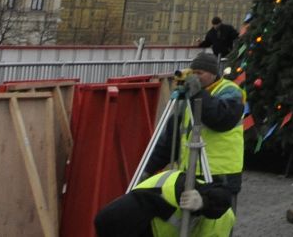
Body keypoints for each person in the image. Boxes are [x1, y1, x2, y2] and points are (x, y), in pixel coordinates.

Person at [157, 53, 247, 204]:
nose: (196, 77)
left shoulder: (230, 91)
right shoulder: (189, 96)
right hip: (191, 174)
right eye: (193, 73)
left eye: (200, 73)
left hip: (221, 176)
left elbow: (221, 118)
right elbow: (170, 140)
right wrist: (147, 170)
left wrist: (198, 93)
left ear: (213, 73)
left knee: (219, 223)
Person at [93, 166, 235, 237]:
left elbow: (224, 196)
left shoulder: (180, 190)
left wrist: (203, 202)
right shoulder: (141, 206)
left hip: (216, 227)